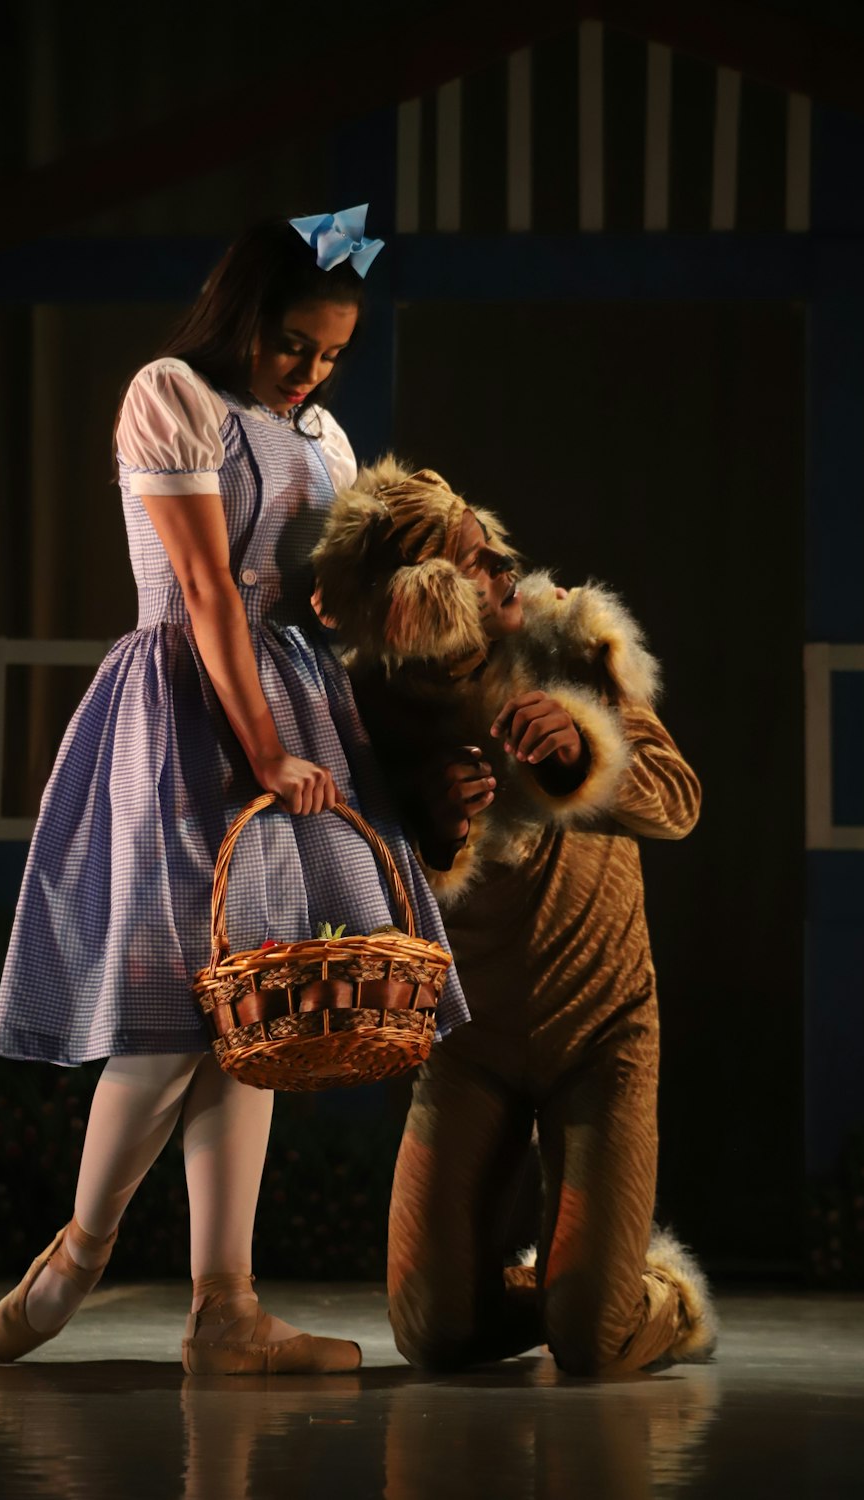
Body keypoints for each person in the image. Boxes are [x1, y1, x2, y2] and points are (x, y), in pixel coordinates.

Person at [0, 210, 468, 1376]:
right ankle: (78, 1256)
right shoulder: (172, 396)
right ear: (244, 316)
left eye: (332, 353)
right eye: (294, 343)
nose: (308, 371)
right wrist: (262, 749)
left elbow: (322, 605)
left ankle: (225, 1307)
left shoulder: (326, 439)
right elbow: (204, 588)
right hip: (190, 702)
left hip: (293, 701)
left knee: (258, 1015)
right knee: (176, 1005)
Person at [312, 458, 718, 1377]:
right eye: (473, 558)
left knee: (593, 1341)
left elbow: (681, 803)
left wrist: (584, 747)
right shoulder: (363, 702)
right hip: (469, 1039)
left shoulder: (566, 638)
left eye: (490, 542)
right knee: (432, 1333)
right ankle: (579, 1285)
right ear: (417, 603)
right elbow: (337, 884)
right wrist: (429, 824)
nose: (503, 561)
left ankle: (643, 1296)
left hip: (601, 1033)